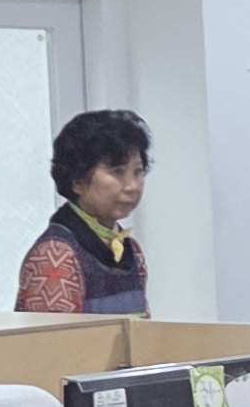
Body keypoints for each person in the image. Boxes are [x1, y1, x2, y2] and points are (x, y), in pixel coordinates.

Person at [14, 108, 151, 313]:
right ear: (77, 181)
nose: (132, 186)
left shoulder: (132, 251)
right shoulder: (56, 255)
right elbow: (53, 334)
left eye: (138, 172)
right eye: (117, 172)